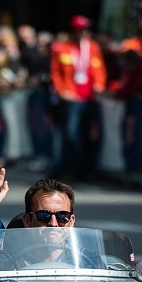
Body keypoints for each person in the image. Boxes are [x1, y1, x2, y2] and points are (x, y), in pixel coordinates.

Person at [50, 15, 107, 180]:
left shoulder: (93, 47)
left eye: (86, 30)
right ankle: (69, 169)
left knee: (89, 134)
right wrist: (62, 91)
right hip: (72, 99)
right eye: (81, 30)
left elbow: (99, 70)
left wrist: (100, 85)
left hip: (90, 98)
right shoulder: (62, 48)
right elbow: (55, 73)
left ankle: (86, 170)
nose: (85, 33)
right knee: (71, 135)